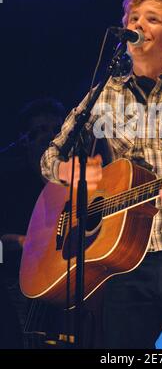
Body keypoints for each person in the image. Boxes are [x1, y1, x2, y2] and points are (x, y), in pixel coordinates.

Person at [40, 0, 162, 349]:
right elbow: (51, 156)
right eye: (133, 18)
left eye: (151, 19)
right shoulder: (104, 93)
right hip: (123, 258)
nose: (138, 23)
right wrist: (70, 172)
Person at [0, 98, 65, 346]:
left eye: (56, 131)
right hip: (14, 285)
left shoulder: (75, 181)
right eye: (41, 131)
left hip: (62, 286)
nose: (49, 138)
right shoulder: (7, 183)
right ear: (24, 138)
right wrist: (23, 242)